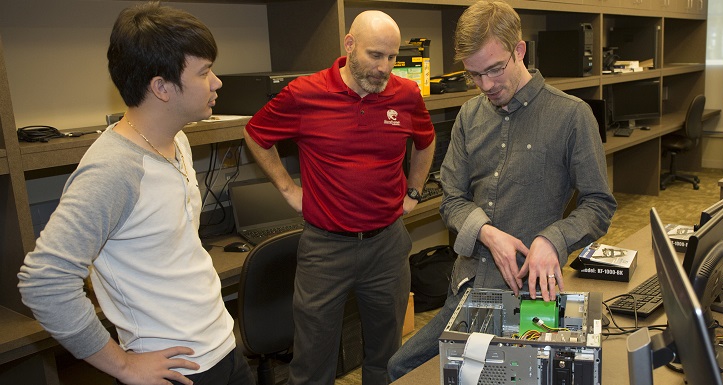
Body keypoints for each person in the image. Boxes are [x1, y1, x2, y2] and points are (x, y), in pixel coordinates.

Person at [17, 3, 254, 385]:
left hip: (222, 347)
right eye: (204, 72)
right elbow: (44, 282)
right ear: (161, 87)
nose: (217, 83)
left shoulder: (176, 139)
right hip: (173, 370)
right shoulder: (113, 169)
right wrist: (124, 366)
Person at [387, 0, 617, 380]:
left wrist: (552, 239)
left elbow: (599, 205)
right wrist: (487, 233)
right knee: (400, 367)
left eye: (494, 69)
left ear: (519, 51)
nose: (486, 85)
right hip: (467, 289)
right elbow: (452, 198)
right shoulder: (469, 115)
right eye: (474, 75)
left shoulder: (572, 116)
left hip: (529, 297)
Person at [243, 10, 435, 385]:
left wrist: (412, 192)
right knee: (312, 362)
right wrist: (288, 189)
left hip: (387, 245)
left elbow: (425, 144)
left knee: (387, 356)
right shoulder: (305, 93)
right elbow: (255, 133)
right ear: (349, 45)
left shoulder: (406, 93)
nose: (384, 68)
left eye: (392, 57)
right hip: (325, 248)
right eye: (375, 55)